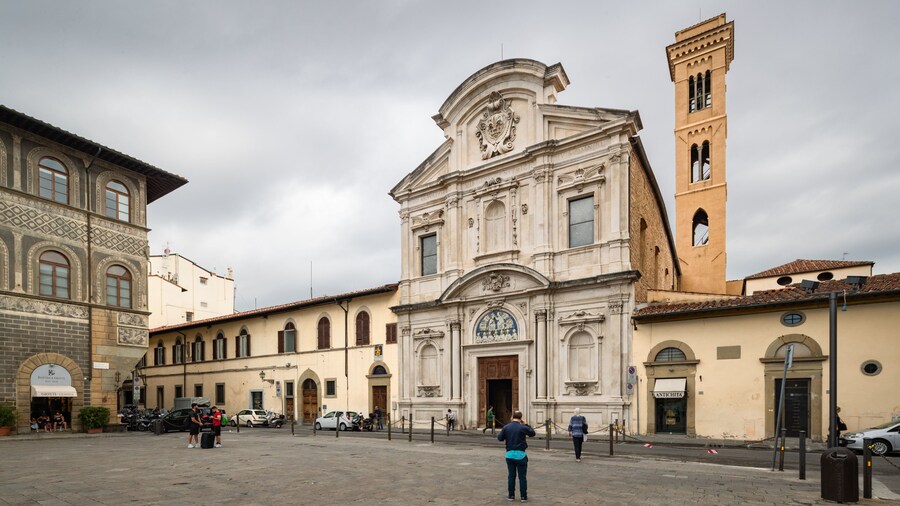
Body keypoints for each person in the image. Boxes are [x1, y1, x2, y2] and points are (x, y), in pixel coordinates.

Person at [497, 410, 535, 502]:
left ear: (512, 417)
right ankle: (523, 497)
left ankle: (511, 496)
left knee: (511, 476)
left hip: (509, 455)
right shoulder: (522, 427)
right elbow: (532, 433)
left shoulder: (506, 427)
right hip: (520, 454)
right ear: (521, 418)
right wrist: (526, 424)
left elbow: (500, 438)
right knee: (522, 477)